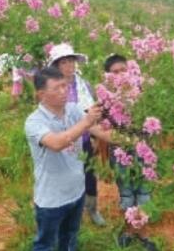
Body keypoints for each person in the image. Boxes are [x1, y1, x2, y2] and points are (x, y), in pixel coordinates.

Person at [25, 67, 117, 250]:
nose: (63, 91)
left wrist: (135, 141)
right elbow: (57, 143)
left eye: (65, 86)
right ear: (41, 94)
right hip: (51, 200)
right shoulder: (34, 122)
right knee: (45, 244)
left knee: (69, 238)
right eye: (57, 88)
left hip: (76, 192)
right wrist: (86, 121)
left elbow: (100, 132)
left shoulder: (72, 109)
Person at [101, 53, 157, 251]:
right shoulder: (105, 100)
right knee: (126, 194)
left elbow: (155, 121)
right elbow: (101, 130)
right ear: (108, 76)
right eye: (114, 72)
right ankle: (128, 231)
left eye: (122, 70)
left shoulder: (143, 93)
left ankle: (143, 234)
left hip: (145, 152)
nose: (119, 75)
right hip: (120, 154)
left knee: (144, 194)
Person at [48, 43, 105, 226]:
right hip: (64, 140)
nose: (69, 66)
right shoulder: (52, 88)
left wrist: (96, 138)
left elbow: (93, 111)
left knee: (89, 175)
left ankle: (92, 209)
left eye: (71, 61)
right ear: (57, 66)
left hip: (86, 138)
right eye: (64, 62)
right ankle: (69, 214)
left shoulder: (84, 85)